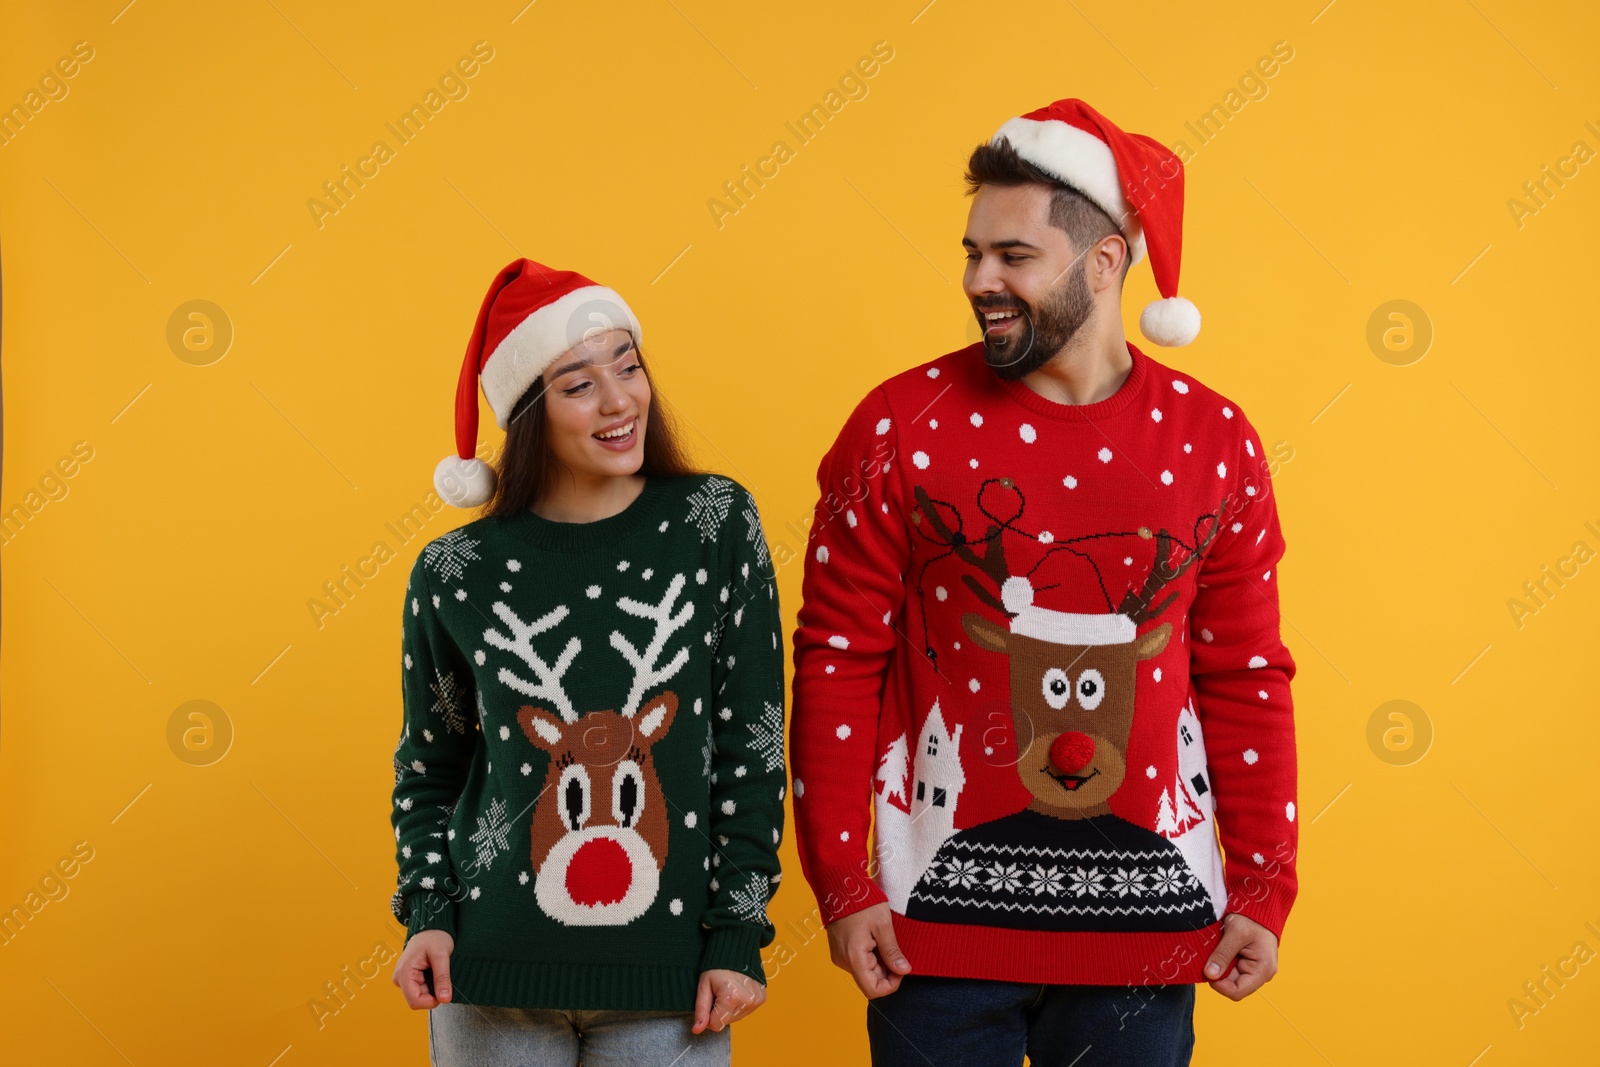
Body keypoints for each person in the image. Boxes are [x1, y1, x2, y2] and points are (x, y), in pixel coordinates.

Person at [789, 99, 1299, 1067]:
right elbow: (837, 657)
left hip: (1147, 939)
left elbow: (1244, 674)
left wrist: (1263, 884)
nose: (981, 279)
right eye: (973, 251)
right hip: (929, 934)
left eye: (1012, 256)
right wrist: (840, 879)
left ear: (1103, 262)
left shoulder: (1214, 442)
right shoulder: (897, 425)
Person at [387, 259, 787, 1067]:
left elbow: (756, 739)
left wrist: (739, 931)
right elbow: (432, 764)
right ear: (529, 412)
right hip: (489, 975)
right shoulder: (453, 570)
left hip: (671, 984)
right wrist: (427, 909)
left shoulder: (716, 523)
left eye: (629, 366)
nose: (619, 401)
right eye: (578, 383)